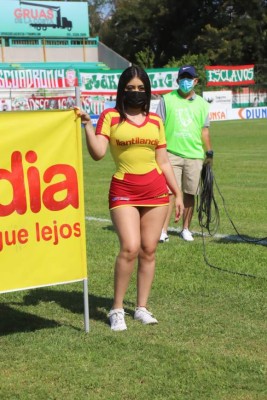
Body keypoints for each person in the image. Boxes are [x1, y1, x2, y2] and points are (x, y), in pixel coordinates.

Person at [76, 65, 184, 331]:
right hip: (123, 191)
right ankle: (116, 309)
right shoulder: (110, 117)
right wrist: (88, 127)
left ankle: (141, 308)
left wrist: (177, 193)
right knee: (130, 247)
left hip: (156, 193)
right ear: (122, 90)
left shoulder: (156, 121)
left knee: (149, 250)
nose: (135, 92)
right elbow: (99, 153)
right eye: (130, 88)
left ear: (147, 91)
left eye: (140, 88)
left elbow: (164, 161)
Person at [156, 65, 213, 242]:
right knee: (169, 192)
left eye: (190, 79)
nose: (186, 82)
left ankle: (186, 229)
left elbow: (205, 131)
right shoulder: (166, 99)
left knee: (190, 192)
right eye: (183, 78)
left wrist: (209, 152)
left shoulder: (203, 104)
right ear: (177, 80)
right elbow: (158, 127)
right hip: (170, 153)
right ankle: (163, 230)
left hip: (195, 154)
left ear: (196, 81)